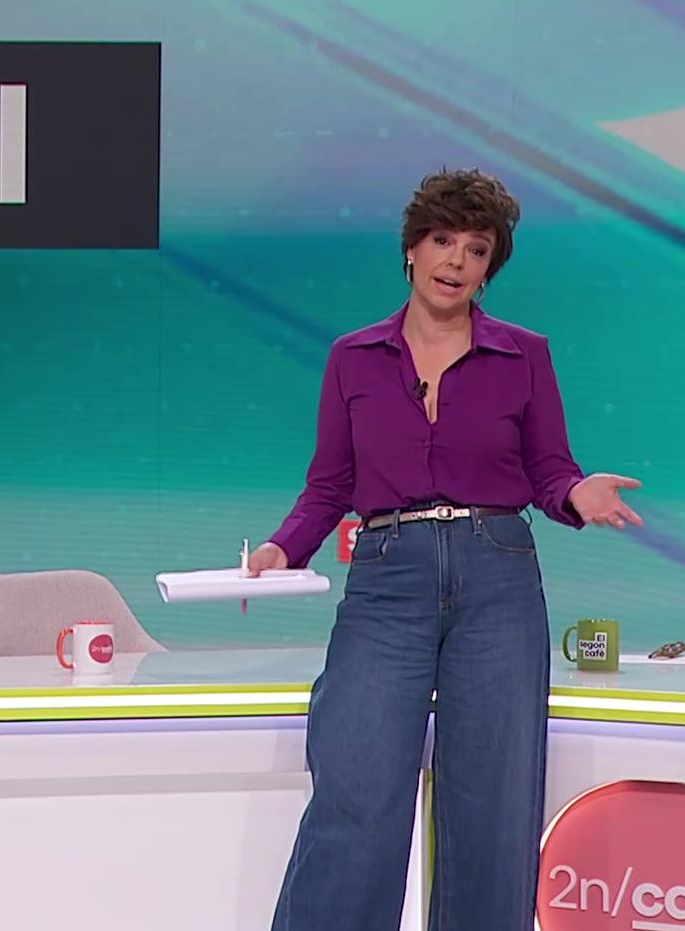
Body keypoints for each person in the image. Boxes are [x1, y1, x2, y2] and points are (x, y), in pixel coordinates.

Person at [251, 168, 642, 931]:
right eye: (441, 240)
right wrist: (281, 547)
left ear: (488, 266)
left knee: (492, 805)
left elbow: (547, 469)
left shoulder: (523, 355)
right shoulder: (353, 357)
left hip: (497, 575)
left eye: (475, 248)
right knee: (355, 792)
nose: (455, 260)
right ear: (410, 249)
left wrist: (574, 493)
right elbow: (328, 485)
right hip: (386, 580)